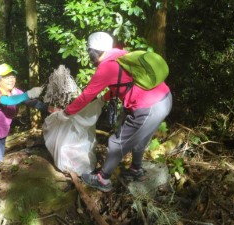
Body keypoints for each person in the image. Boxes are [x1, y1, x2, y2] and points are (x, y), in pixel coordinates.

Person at [54, 32, 173, 192]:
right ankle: (136, 170)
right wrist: (105, 98)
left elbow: (86, 96)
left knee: (116, 142)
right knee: (140, 138)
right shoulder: (120, 55)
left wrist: (66, 113)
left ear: (93, 51)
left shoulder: (106, 67)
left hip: (149, 107)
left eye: (90, 52)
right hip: (164, 99)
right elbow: (123, 82)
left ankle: (103, 179)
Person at [0, 63, 48, 166]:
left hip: (2, 135)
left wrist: (50, 109)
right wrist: (27, 94)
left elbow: (30, 102)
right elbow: (8, 101)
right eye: (7, 77)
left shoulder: (15, 91)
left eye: (12, 76)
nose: (11, 79)